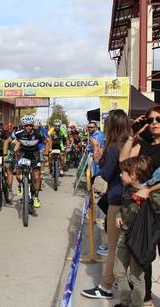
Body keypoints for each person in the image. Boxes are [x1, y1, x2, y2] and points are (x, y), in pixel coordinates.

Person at [82, 109, 131, 300]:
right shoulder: (131, 143)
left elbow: (107, 173)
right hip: (131, 200)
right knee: (123, 246)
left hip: (117, 200)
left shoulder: (114, 148)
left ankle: (106, 286)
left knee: (113, 247)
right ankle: (121, 279)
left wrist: (97, 155)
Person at [119, 105, 160, 305]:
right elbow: (123, 161)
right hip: (144, 208)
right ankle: (146, 298)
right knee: (144, 253)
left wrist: (149, 190)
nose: (154, 123)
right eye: (150, 120)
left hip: (157, 204)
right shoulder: (144, 144)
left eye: (158, 119)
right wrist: (134, 135)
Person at [114, 156, 153, 307]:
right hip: (124, 235)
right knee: (118, 271)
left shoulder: (149, 194)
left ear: (134, 174)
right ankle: (125, 302)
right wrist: (118, 216)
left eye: (123, 172)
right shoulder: (127, 189)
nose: (120, 175)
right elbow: (122, 208)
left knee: (136, 278)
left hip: (139, 240)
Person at [13, 115, 48, 208]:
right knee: (18, 175)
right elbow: (14, 143)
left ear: (33, 126)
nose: (28, 127)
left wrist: (47, 152)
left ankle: (36, 196)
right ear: (23, 126)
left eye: (30, 125)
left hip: (34, 154)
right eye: (26, 125)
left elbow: (47, 141)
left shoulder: (38, 133)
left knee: (36, 177)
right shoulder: (18, 134)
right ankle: (20, 186)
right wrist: (13, 151)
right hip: (23, 154)